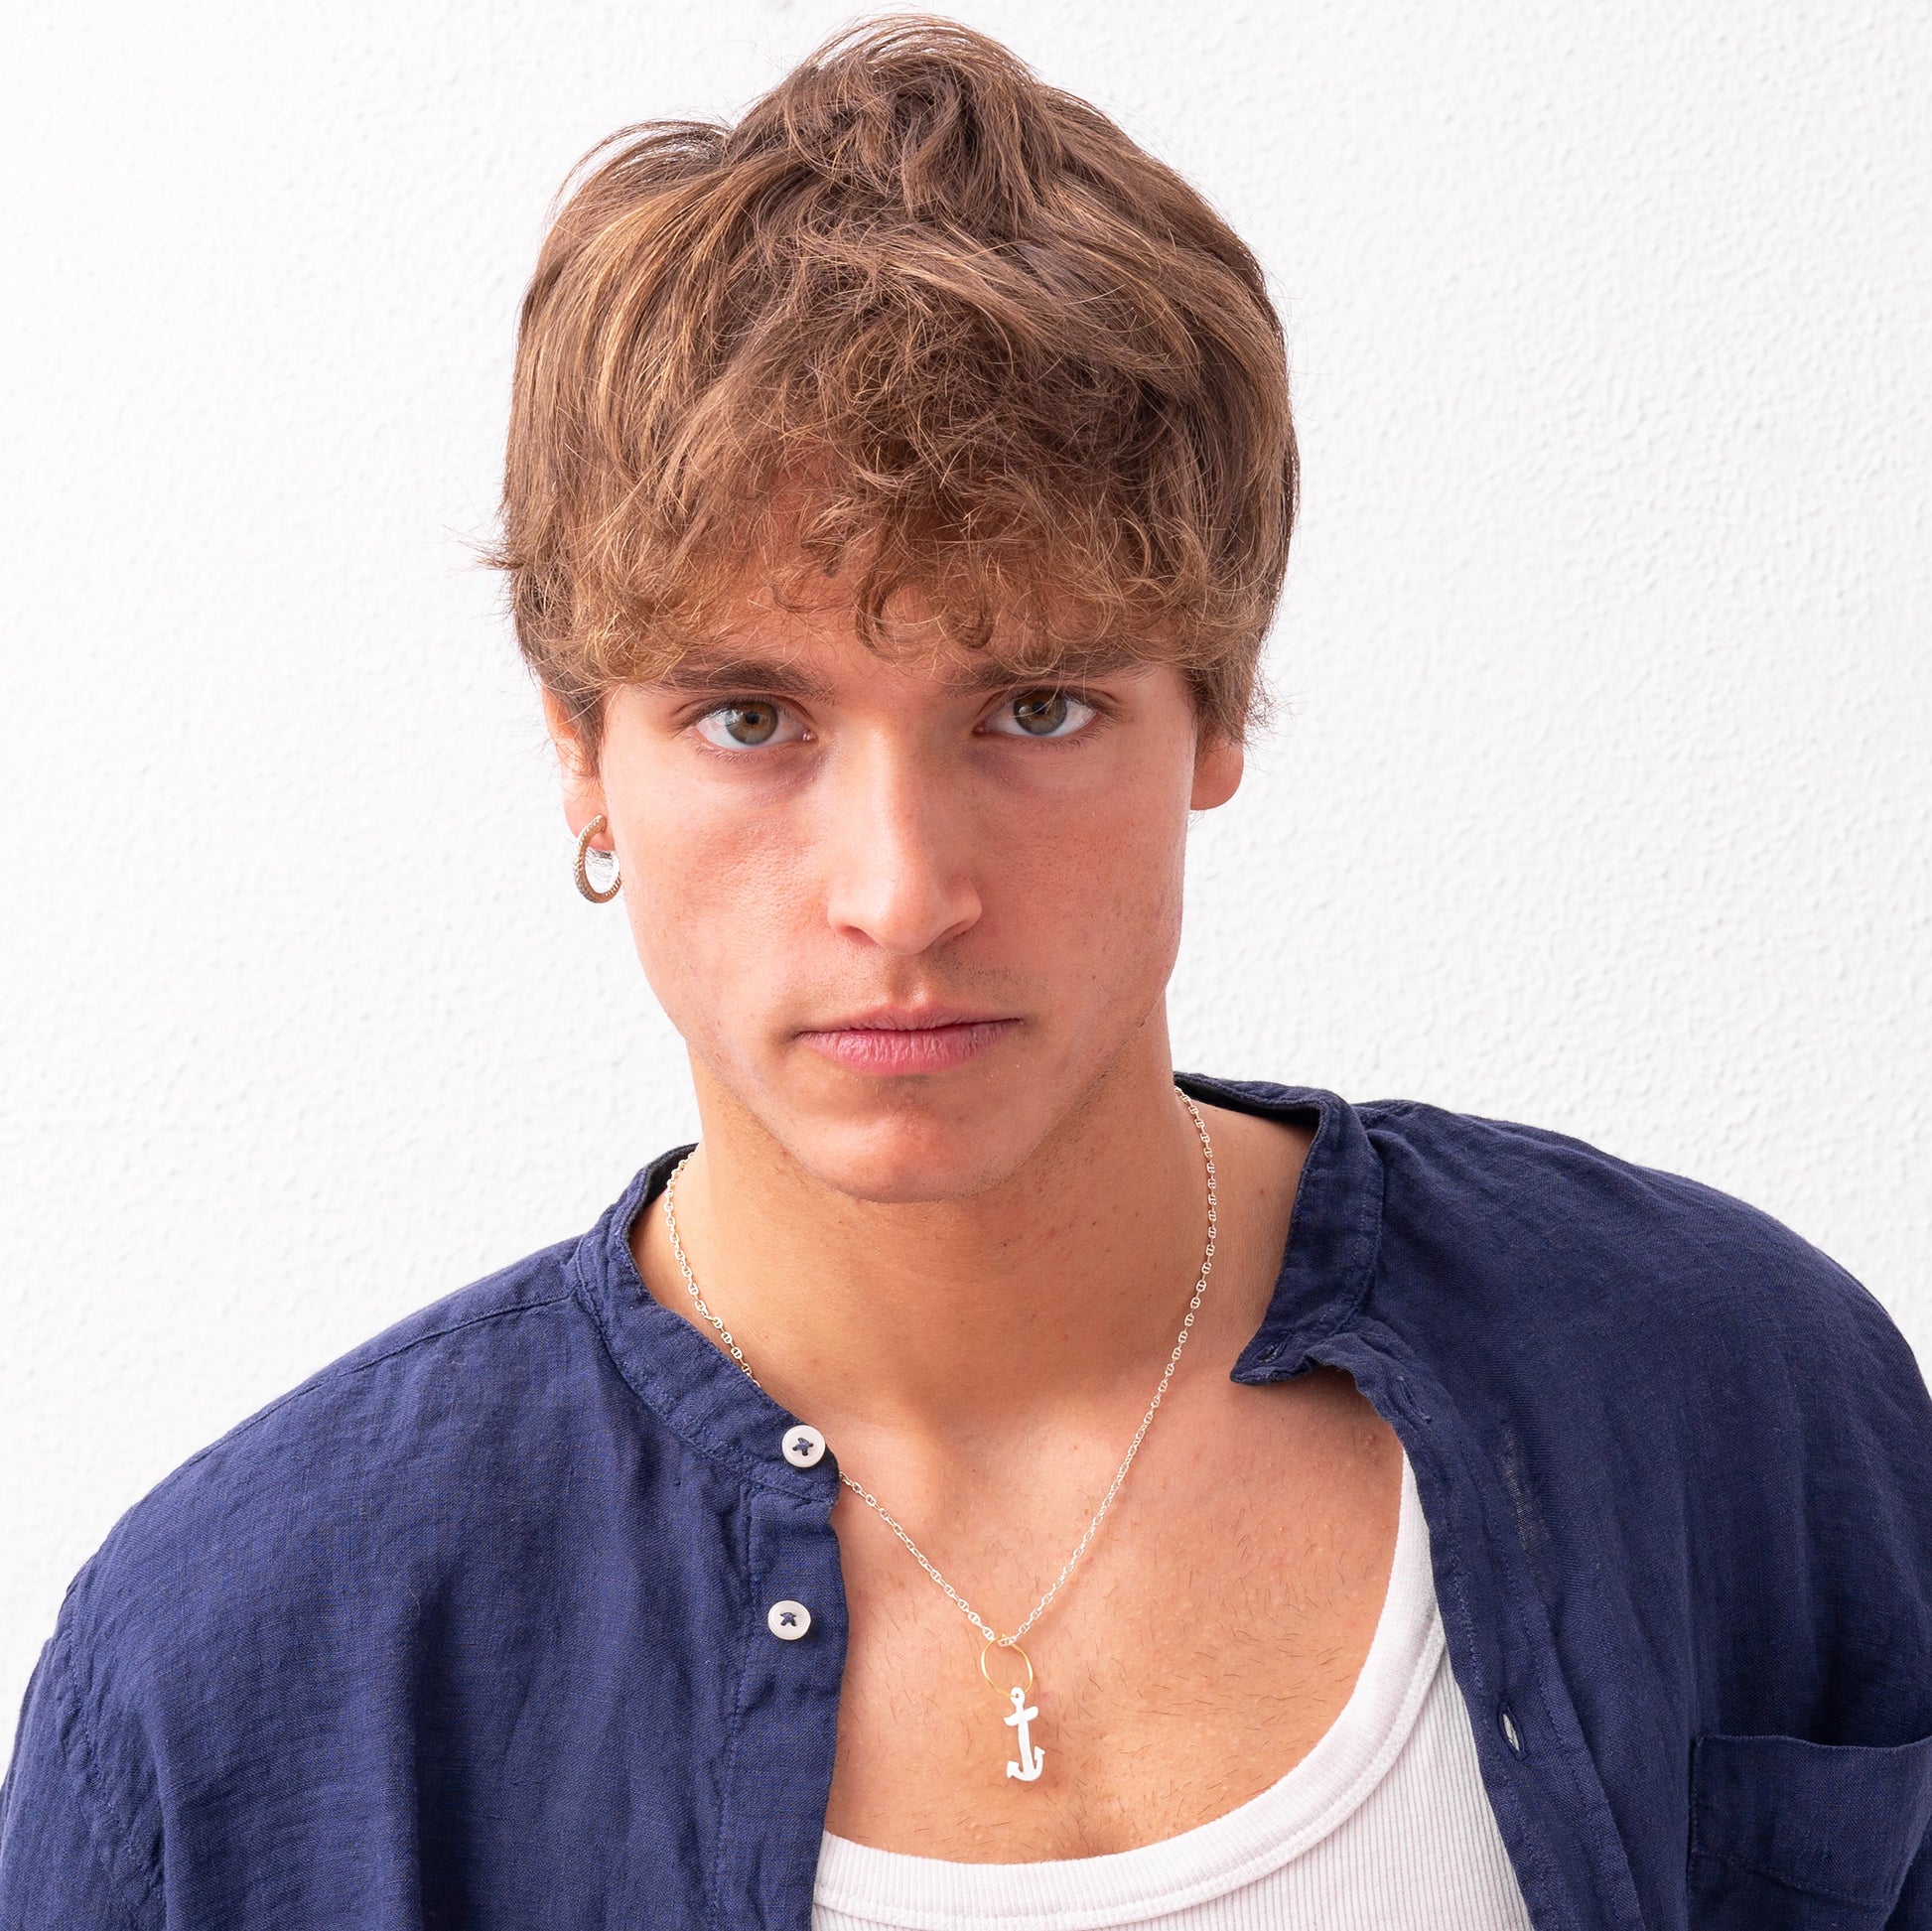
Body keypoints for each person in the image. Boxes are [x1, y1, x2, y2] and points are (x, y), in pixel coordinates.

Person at [4, 16, 1931, 1930]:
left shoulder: (1729, 1391)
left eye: (1032, 703)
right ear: (583, 751)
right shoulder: (242, 1662)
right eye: (753, 716)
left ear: (1215, 708)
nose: (903, 889)